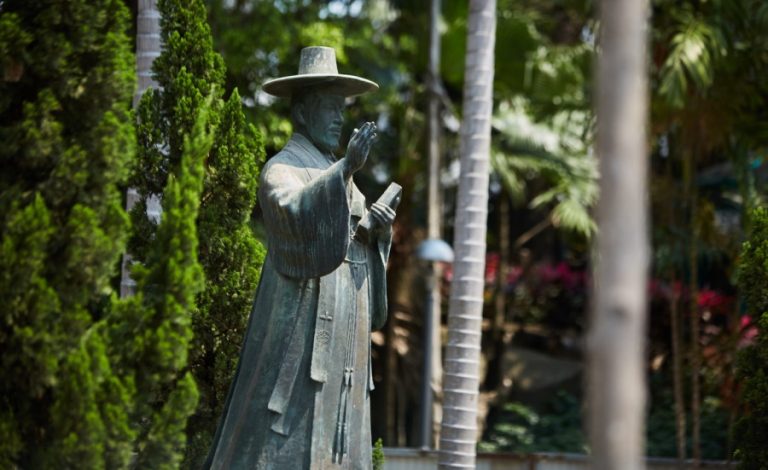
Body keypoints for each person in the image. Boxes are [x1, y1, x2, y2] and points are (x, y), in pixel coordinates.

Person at [204, 46, 395, 469]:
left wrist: (377, 232)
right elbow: (291, 212)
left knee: (341, 426)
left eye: (341, 109)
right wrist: (344, 170)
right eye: (328, 108)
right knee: (285, 432)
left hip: (346, 327)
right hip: (304, 330)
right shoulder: (283, 169)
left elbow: (354, 242)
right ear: (303, 113)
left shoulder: (340, 173)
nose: (338, 119)